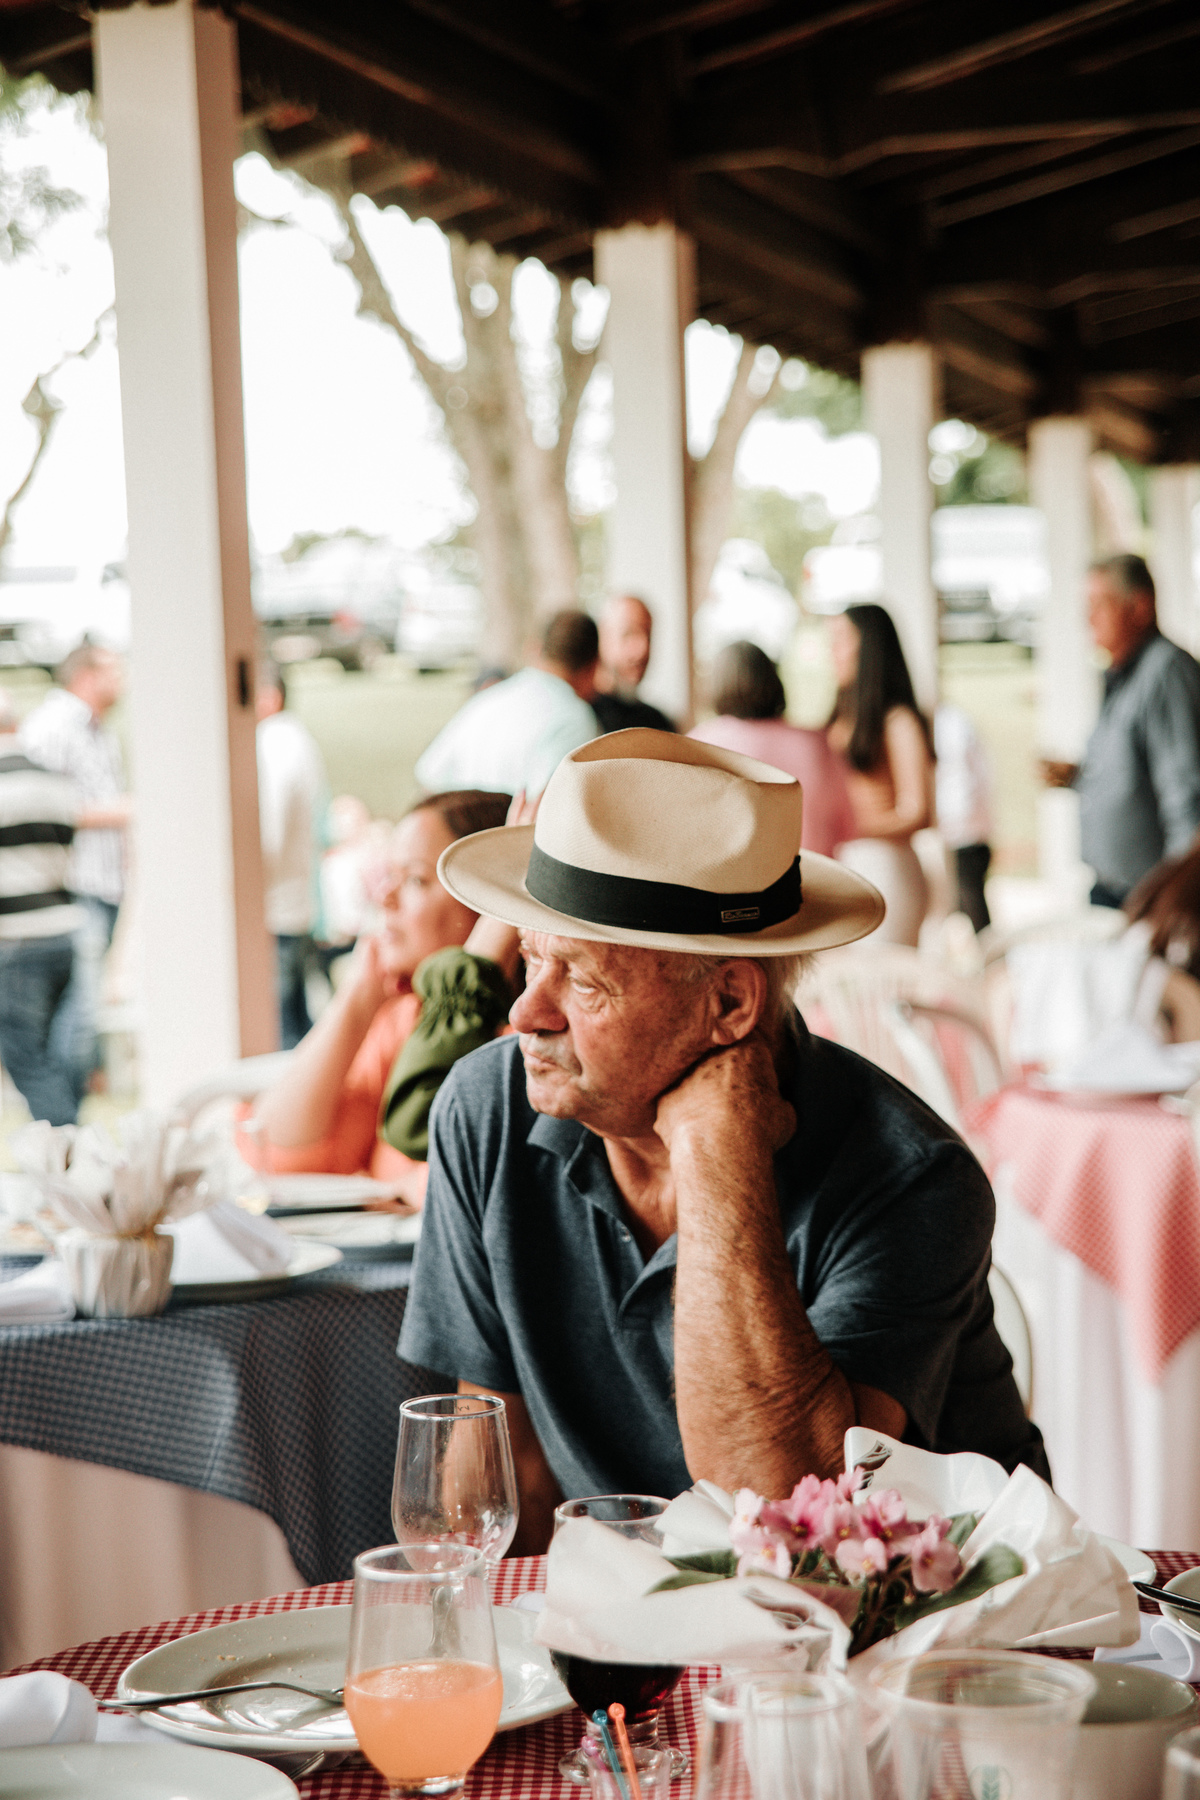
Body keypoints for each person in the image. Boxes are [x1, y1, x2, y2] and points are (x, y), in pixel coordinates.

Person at [399, 730, 1047, 1552]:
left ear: (731, 1007)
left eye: (585, 981)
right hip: (638, 1619)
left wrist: (712, 1149)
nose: (528, 1012)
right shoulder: (485, 1111)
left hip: (918, 1642)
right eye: (532, 961)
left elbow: (786, 1518)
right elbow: (504, 1476)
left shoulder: (912, 1177)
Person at [250, 789, 520, 1204]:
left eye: (415, 879)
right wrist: (356, 1002)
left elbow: (462, 1189)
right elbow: (276, 1150)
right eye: (388, 877)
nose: (384, 898)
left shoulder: (525, 1041)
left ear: (490, 899)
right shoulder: (406, 1017)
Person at [1043, 555, 1200, 909]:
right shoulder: (1125, 673)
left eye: (1100, 605)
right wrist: (1079, 777)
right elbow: (1137, 770)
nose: (1088, 618)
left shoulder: (1166, 672)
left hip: (1151, 895)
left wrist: (1177, 897)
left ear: (1139, 607)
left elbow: (1186, 796)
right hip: (1114, 887)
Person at [20, 642, 130, 1105]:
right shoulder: (53, 727)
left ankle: (65, 1116)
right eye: (114, 668)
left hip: (102, 888)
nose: (123, 677)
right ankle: (61, 1119)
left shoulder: (100, 732)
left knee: (84, 1014)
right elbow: (38, 805)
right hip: (72, 890)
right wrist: (127, 812)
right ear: (86, 674)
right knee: (76, 1016)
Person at [826, 604, 936, 947]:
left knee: (882, 987)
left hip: (887, 869)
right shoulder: (839, 719)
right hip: (846, 866)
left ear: (869, 648)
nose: (834, 653)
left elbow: (919, 812)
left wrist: (850, 830)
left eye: (842, 640)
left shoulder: (898, 721)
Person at [688, 641, 855, 859]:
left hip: (735, 885)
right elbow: (848, 824)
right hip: (815, 878)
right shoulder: (818, 743)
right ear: (773, 678)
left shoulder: (699, 744)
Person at [0, 692, 81, 1126]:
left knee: (28, 1061)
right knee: (55, 1055)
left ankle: (70, 1163)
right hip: (63, 930)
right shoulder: (54, 780)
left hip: (16, 939)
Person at [415, 611, 600, 798]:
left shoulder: (486, 700)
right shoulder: (575, 719)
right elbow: (551, 808)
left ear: (536, 649)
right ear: (593, 667)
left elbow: (430, 781)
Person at [256, 659, 327, 1050]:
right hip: (296, 904)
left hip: (277, 908)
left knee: (280, 1032)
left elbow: (271, 832)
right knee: (296, 1023)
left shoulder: (274, 743)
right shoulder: (297, 740)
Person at [934, 703, 994, 933]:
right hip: (963, 830)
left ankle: (991, 964)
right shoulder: (953, 722)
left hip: (963, 834)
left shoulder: (949, 725)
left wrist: (950, 826)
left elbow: (962, 781)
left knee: (973, 905)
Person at [592, 593, 675, 734]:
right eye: (629, 634)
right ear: (601, 637)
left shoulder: (658, 725)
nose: (643, 649)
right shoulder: (582, 718)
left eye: (648, 636)